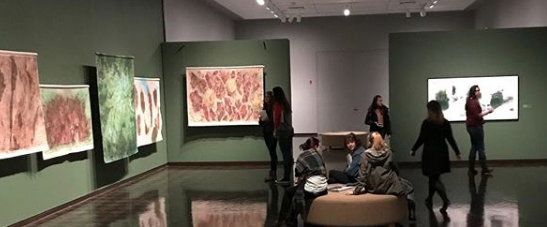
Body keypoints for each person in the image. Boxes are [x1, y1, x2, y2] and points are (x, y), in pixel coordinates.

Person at [410, 100, 461, 213]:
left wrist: (413, 149)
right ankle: (429, 199)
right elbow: (450, 138)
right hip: (442, 152)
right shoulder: (445, 123)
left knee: (434, 179)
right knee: (434, 177)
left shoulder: (427, 123)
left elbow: (421, 138)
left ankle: (445, 199)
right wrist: (457, 152)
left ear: (430, 110)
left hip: (430, 153)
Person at [352, 132, 415, 220]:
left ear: (370, 142)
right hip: (389, 185)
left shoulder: (365, 155)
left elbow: (362, 174)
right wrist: (397, 178)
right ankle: (411, 210)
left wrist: (357, 190)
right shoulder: (388, 152)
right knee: (409, 186)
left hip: (373, 186)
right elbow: (395, 168)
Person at [276, 137, 328, 227]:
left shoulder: (302, 156)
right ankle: (289, 219)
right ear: (315, 146)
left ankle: (283, 220)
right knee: (296, 190)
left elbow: (298, 175)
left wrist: (301, 180)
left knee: (289, 192)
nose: (319, 148)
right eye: (319, 146)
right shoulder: (319, 156)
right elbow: (325, 173)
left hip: (311, 188)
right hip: (323, 188)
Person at [465, 85, 494, 176]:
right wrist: (488, 112)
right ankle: (484, 169)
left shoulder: (470, 101)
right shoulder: (473, 102)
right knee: (480, 148)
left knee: (474, 147)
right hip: (476, 127)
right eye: (476, 90)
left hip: (472, 127)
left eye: (479, 90)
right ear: (473, 91)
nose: (478, 92)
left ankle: (471, 170)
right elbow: (477, 116)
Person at [272, 86, 294, 185]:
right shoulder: (286, 104)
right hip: (289, 130)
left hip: (283, 131)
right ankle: (288, 176)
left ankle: (286, 178)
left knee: (285, 154)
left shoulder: (278, 105)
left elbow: (277, 119)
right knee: (288, 154)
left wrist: (276, 130)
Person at [259, 91, 278, 182]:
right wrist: (262, 120)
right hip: (266, 132)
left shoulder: (273, 108)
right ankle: (272, 173)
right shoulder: (265, 108)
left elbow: (274, 121)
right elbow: (261, 122)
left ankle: (273, 173)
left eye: (268, 97)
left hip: (272, 132)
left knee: (272, 152)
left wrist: (267, 120)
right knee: (271, 152)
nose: (266, 99)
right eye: (265, 97)